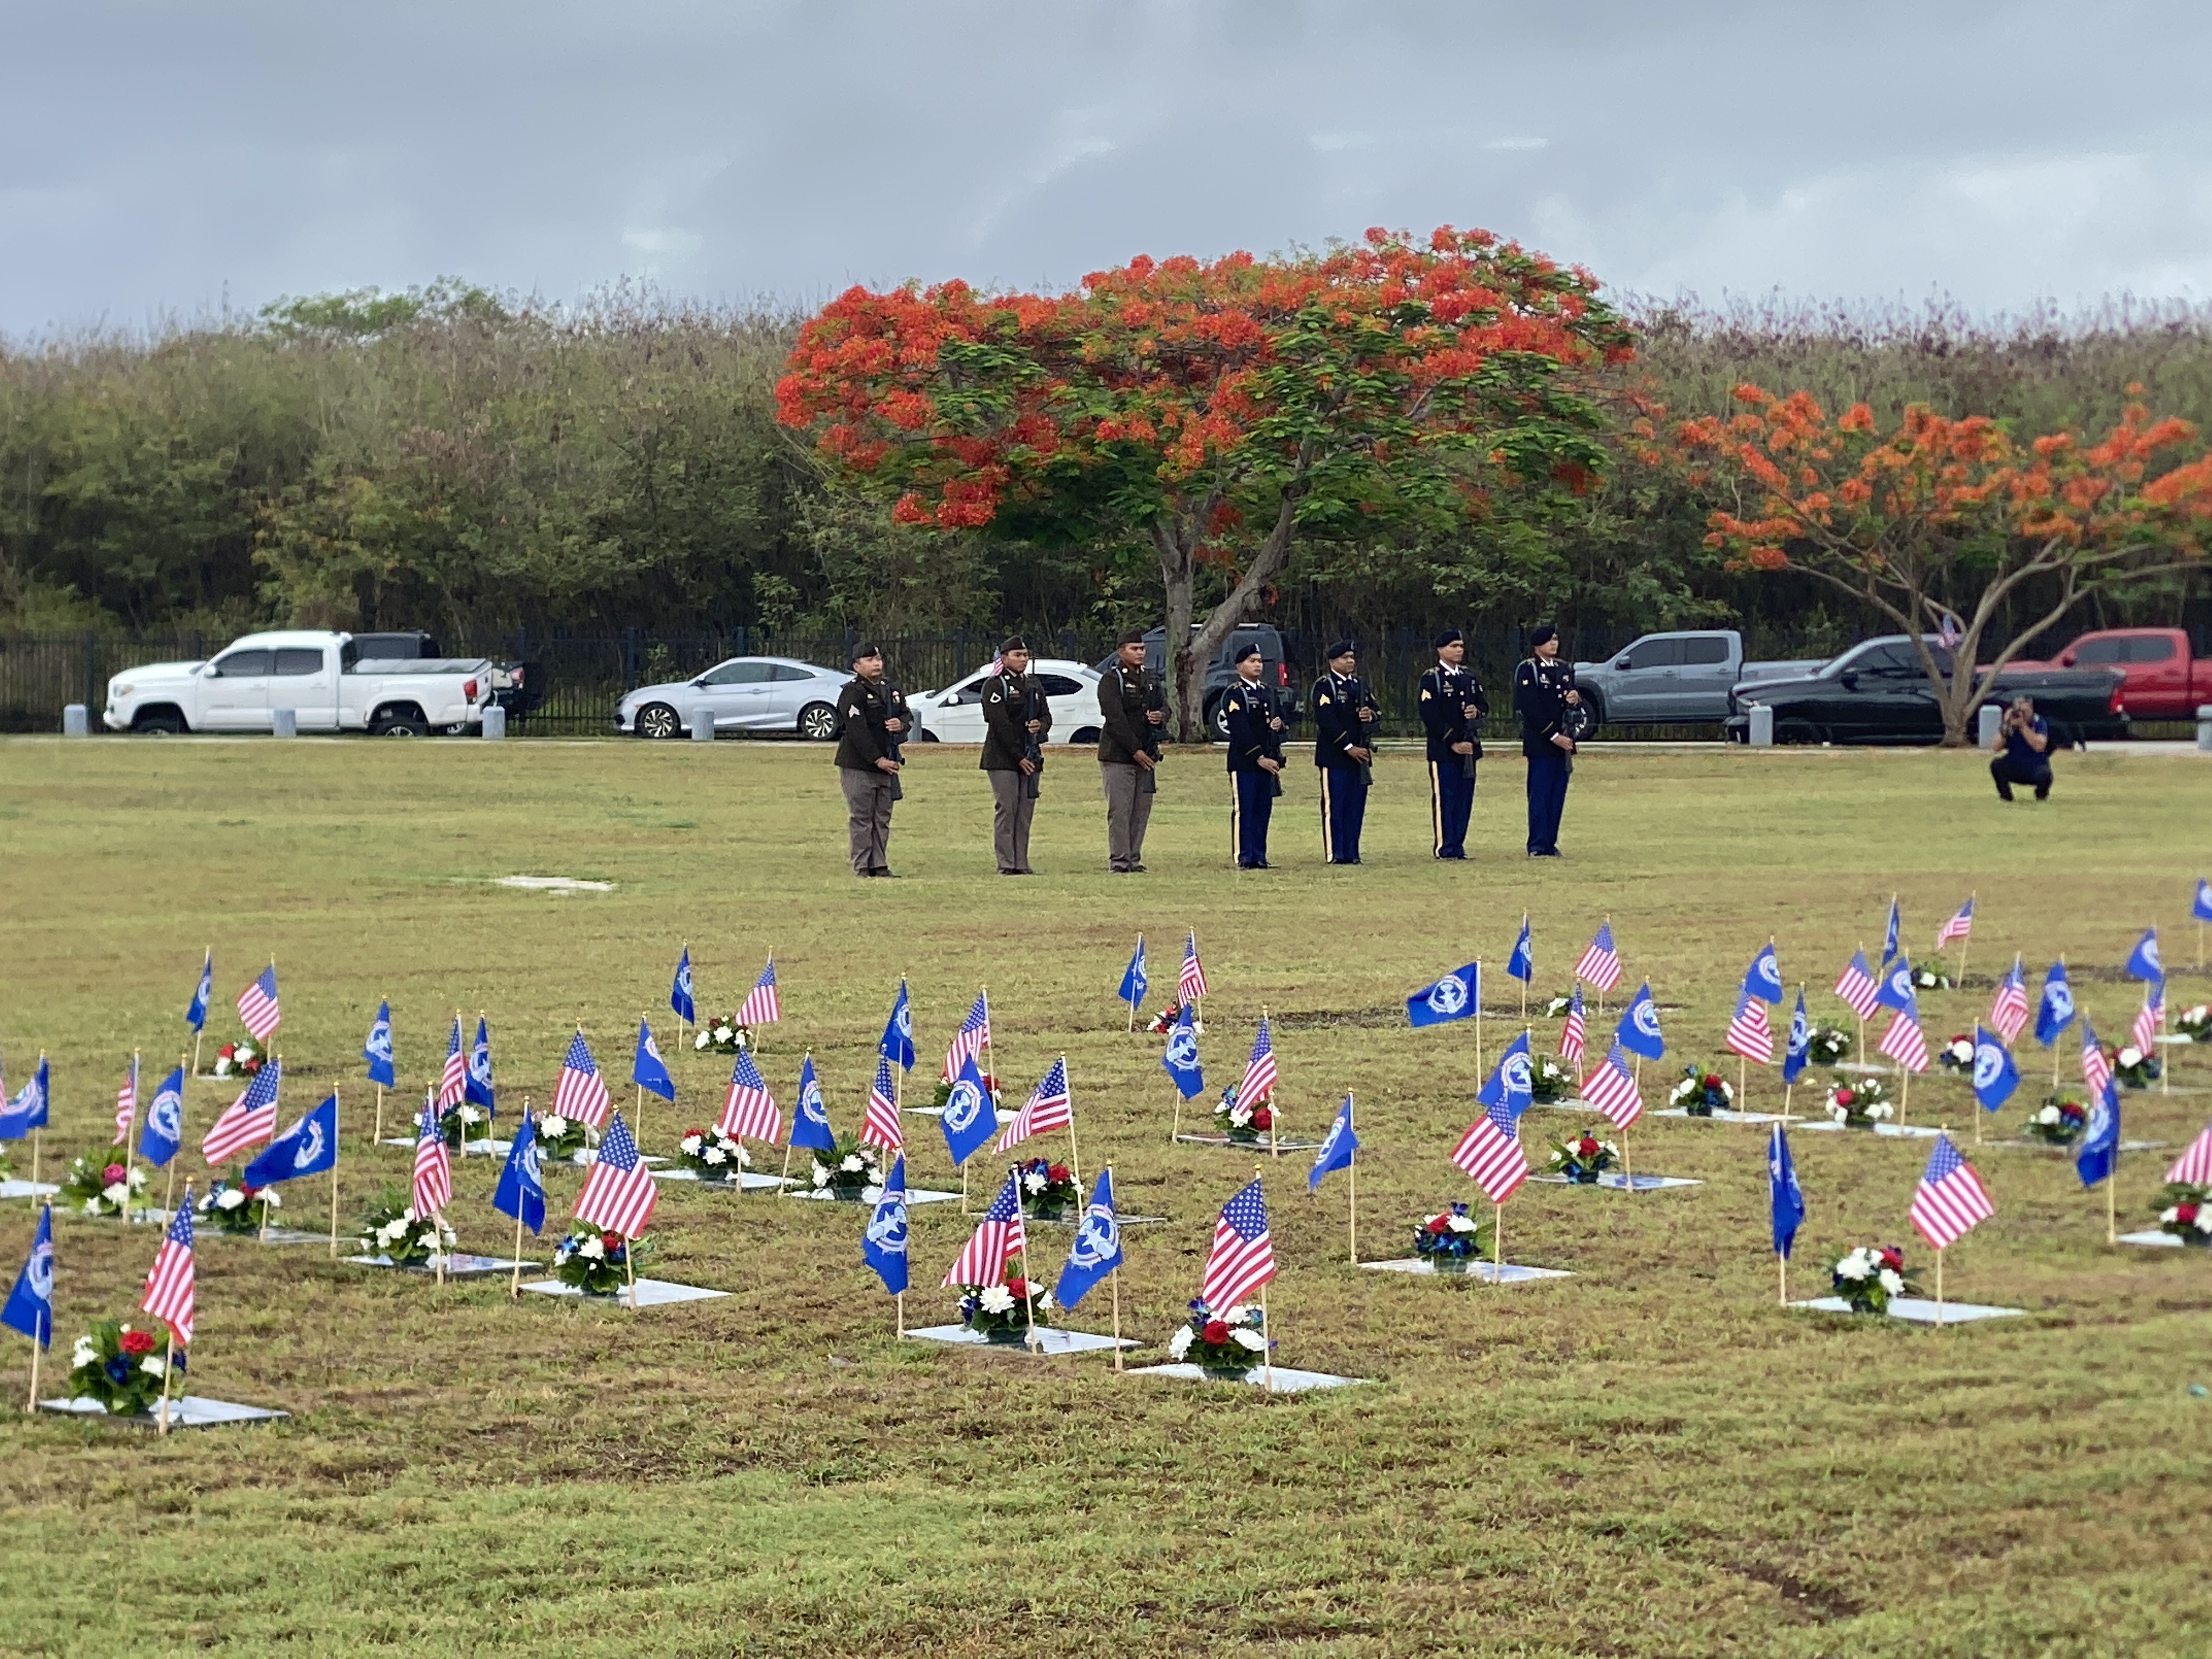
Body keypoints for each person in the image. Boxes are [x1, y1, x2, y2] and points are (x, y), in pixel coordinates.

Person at [834, 642, 909, 877]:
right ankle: (862, 866)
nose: (876, 664)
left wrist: (901, 724)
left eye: (878, 659)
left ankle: (879, 864)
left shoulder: (891, 690)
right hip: (859, 764)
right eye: (869, 660)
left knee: (882, 817)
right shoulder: (853, 692)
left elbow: (906, 714)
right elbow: (858, 731)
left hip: (888, 762)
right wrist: (877, 760)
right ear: (857, 666)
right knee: (862, 817)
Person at [981, 636, 1052, 873]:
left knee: (1024, 812)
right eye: (1017, 655)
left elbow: (1046, 716)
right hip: (1004, 758)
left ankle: (1021, 862)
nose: (1023, 659)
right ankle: (1006, 863)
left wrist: (1040, 726)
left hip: (1031, 754)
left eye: (1025, 655)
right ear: (1004, 658)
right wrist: (1018, 756)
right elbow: (999, 724)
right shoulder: (995, 685)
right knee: (1007, 808)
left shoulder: (1033, 684)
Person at [1096, 628, 1163, 872]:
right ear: (1121, 652)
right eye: (1134, 649)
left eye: (1142, 648)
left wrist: (1160, 716)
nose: (1140, 653)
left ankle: (1134, 858)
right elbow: (1115, 719)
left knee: (1141, 810)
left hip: (1147, 752)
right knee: (1121, 810)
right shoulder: (1112, 680)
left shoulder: (1150, 678)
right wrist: (1135, 750)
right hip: (1119, 755)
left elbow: (1163, 706)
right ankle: (1120, 860)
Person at [1513, 624, 1582, 856]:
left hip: (1564, 742)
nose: (1554, 644)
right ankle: (1537, 844)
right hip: (1542, 742)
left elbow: (1572, 703)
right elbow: (1530, 708)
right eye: (1549, 640)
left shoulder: (1564, 669)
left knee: (1557, 795)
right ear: (1538, 644)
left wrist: (1575, 699)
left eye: (1556, 639)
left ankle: (1550, 842)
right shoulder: (1529, 670)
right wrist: (1553, 735)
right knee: (1540, 795)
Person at [1418, 629, 1487, 859]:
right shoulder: (1432, 678)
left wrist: (1476, 712)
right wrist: (1452, 741)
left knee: (1464, 799)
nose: (1459, 650)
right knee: (1446, 799)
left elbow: (1483, 705)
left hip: (1469, 748)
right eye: (1454, 646)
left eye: (1461, 646)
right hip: (1444, 750)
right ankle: (1445, 847)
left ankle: (1458, 845)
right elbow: (1430, 715)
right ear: (1441, 649)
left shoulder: (1469, 676)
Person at [1311, 640, 1378, 864]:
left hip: (1360, 757)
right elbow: (1327, 720)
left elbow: (1377, 712)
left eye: (1352, 657)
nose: (1350, 661)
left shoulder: (1359, 685)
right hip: (1336, 756)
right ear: (1333, 661)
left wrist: (1370, 716)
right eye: (1345, 658)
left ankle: (1352, 852)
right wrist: (1348, 746)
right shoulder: (1325, 686)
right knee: (1336, 807)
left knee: (1355, 807)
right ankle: (1336, 853)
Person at [1223, 642, 1286, 868]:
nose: (1258, 665)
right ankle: (1244, 855)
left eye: (1259, 661)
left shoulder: (1268, 691)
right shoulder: (1235, 693)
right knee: (1246, 810)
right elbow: (1240, 730)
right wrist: (1259, 757)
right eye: (1252, 661)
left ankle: (1259, 855)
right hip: (1245, 761)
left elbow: (1282, 718)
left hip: (1269, 760)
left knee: (1263, 810)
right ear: (1240, 666)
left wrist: (1280, 725)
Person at [1989, 694, 2052, 801]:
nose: (2021, 714)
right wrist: (2005, 725)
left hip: (2035, 765)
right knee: (1996, 765)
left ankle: (2041, 795)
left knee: (2045, 775)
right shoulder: (2010, 724)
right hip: (2014, 763)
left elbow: (2039, 746)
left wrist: (2023, 726)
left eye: (2024, 711)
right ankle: (2006, 796)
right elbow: (1996, 747)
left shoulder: (2038, 722)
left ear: (2031, 709)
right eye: (2019, 711)